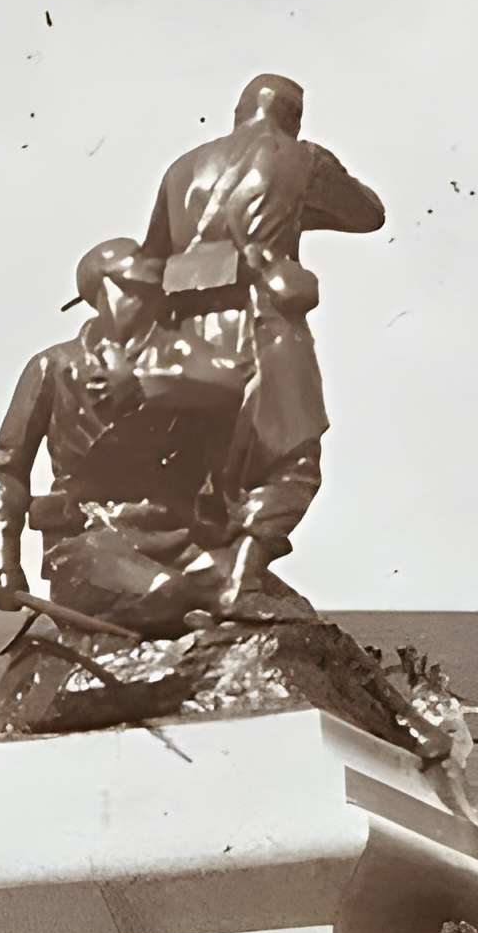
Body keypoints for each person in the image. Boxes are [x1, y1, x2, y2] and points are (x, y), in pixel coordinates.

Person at [134, 72, 386, 617]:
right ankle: (238, 580)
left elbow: (150, 256)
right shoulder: (301, 157)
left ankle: (198, 579)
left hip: (185, 335)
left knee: (208, 467)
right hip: (260, 324)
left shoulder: (181, 168)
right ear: (294, 116)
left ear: (237, 111)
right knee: (292, 461)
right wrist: (299, 206)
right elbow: (368, 213)